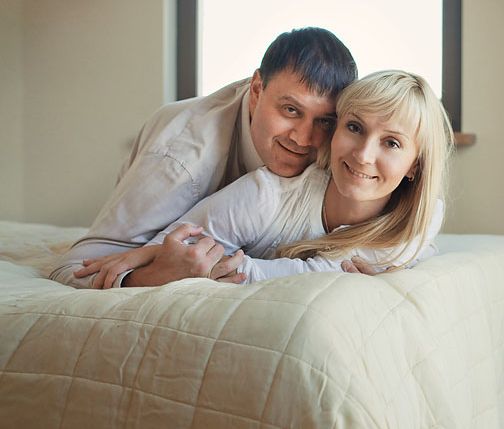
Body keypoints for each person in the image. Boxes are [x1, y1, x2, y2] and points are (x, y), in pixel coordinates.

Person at [80, 70, 453, 288]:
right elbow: (175, 244)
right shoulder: (267, 194)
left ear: (415, 166)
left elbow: (316, 272)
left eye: (391, 143)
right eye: (354, 127)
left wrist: (229, 267)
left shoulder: (416, 224)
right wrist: (151, 254)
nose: (363, 155)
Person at [49, 27, 357, 289]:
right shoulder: (180, 160)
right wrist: (155, 276)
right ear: (256, 90)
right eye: (290, 110)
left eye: (324, 121)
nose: (304, 139)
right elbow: (71, 270)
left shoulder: (341, 146)